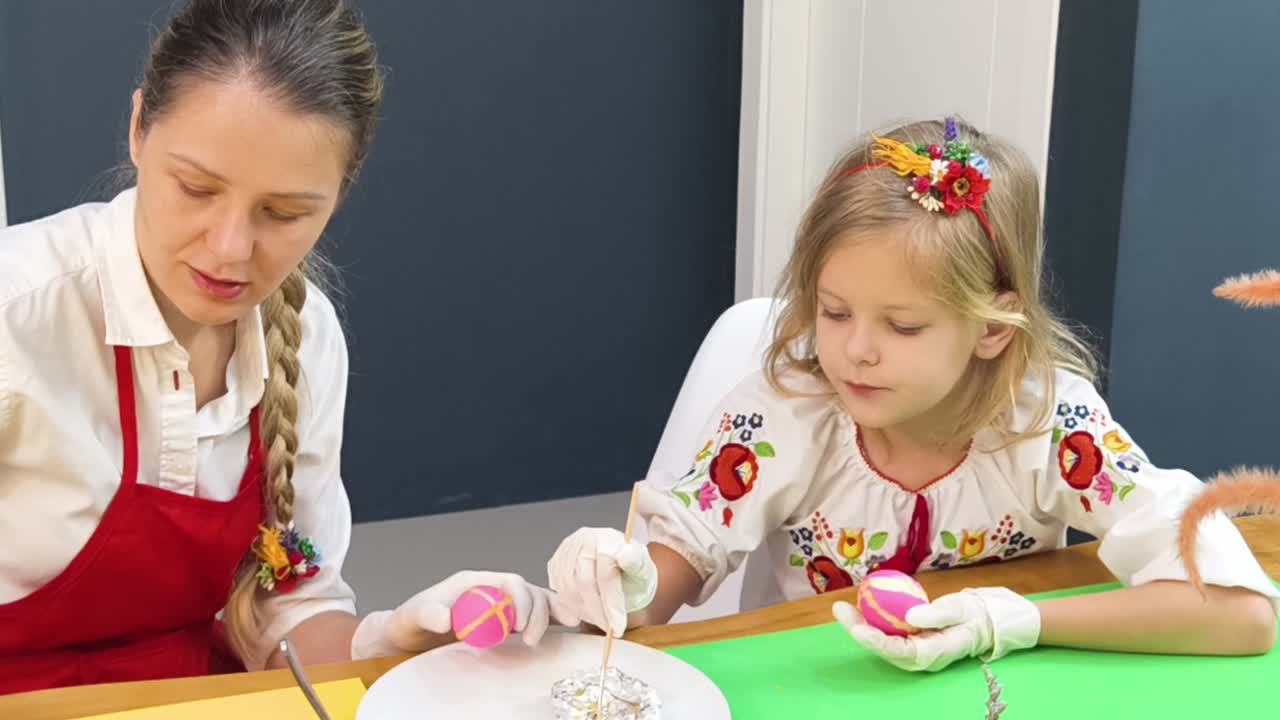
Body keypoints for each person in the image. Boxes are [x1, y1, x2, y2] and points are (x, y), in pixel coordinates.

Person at [546, 117, 1279, 672]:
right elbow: (637, 614)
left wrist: (1015, 620)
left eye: (902, 324)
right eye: (832, 312)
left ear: (992, 330)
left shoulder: (1050, 426)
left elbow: (1242, 615)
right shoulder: (781, 417)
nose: (853, 349)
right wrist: (612, 582)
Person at [0, 0, 573, 695]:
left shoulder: (307, 339)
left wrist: (394, 641)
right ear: (137, 130)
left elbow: (284, 617)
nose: (230, 249)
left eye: (284, 212)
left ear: (340, 193)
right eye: (196, 187)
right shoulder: (19, 316)